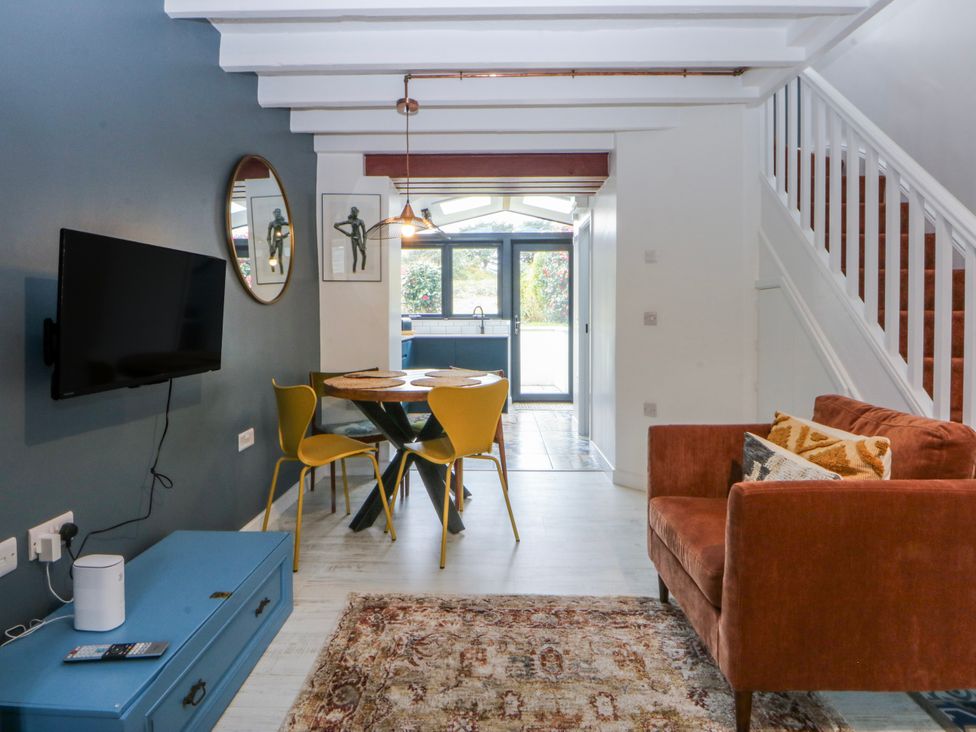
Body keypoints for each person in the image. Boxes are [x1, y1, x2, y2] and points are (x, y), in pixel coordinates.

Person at [334, 206, 368, 273]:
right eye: (352, 212)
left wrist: (364, 244)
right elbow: (337, 225)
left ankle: (363, 268)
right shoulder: (350, 221)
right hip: (353, 239)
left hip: (359, 239)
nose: (354, 213)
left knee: (364, 255)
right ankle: (354, 271)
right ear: (352, 213)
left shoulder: (360, 221)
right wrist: (347, 233)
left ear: (357, 212)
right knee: (355, 258)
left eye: (355, 212)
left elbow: (365, 234)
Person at [266, 208, 290, 273]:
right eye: (277, 212)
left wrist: (287, 234)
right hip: (274, 241)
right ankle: (272, 271)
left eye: (279, 212)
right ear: (274, 213)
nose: (278, 213)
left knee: (280, 258)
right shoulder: (271, 223)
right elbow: (268, 236)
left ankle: (281, 272)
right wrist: (270, 246)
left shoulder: (281, 222)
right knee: (272, 256)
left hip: (280, 241)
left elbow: (290, 224)